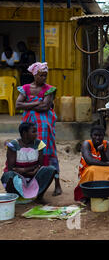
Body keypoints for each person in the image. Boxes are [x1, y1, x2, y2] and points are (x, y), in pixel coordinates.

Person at [15, 62, 62, 196]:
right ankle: (32, 184)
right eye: (41, 75)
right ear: (34, 75)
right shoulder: (25, 88)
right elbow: (18, 105)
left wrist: (27, 105)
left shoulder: (49, 89)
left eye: (45, 75)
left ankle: (57, 184)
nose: (43, 78)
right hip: (28, 125)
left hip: (45, 126)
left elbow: (45, 107)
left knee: (49, 152)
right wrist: (36, 102)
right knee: (30, 152)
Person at [1, 122, 57, 204]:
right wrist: (29, 169)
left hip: (33, 175)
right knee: (8, 175)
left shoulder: (39, 144)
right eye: (33, 132)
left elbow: (40, 165)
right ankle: (15, 197)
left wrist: (24, 170)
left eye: (36, 131)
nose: (36, 134)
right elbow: (11, 168)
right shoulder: (13, 145)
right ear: (24, 133)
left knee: (51, 169)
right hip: (18, 177)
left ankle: (39, 197)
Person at [74, 125, 109, 202]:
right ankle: (86, 195)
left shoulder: (108, 144)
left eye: (100, 135)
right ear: (91, 136)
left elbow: (107, 160)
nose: (98, 138)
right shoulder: (86, 144)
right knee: (92, 170)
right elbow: (90, 161)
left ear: (104, 136)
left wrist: (102, 151)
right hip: (87, 170)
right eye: (95, 135)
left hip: (103, 169)